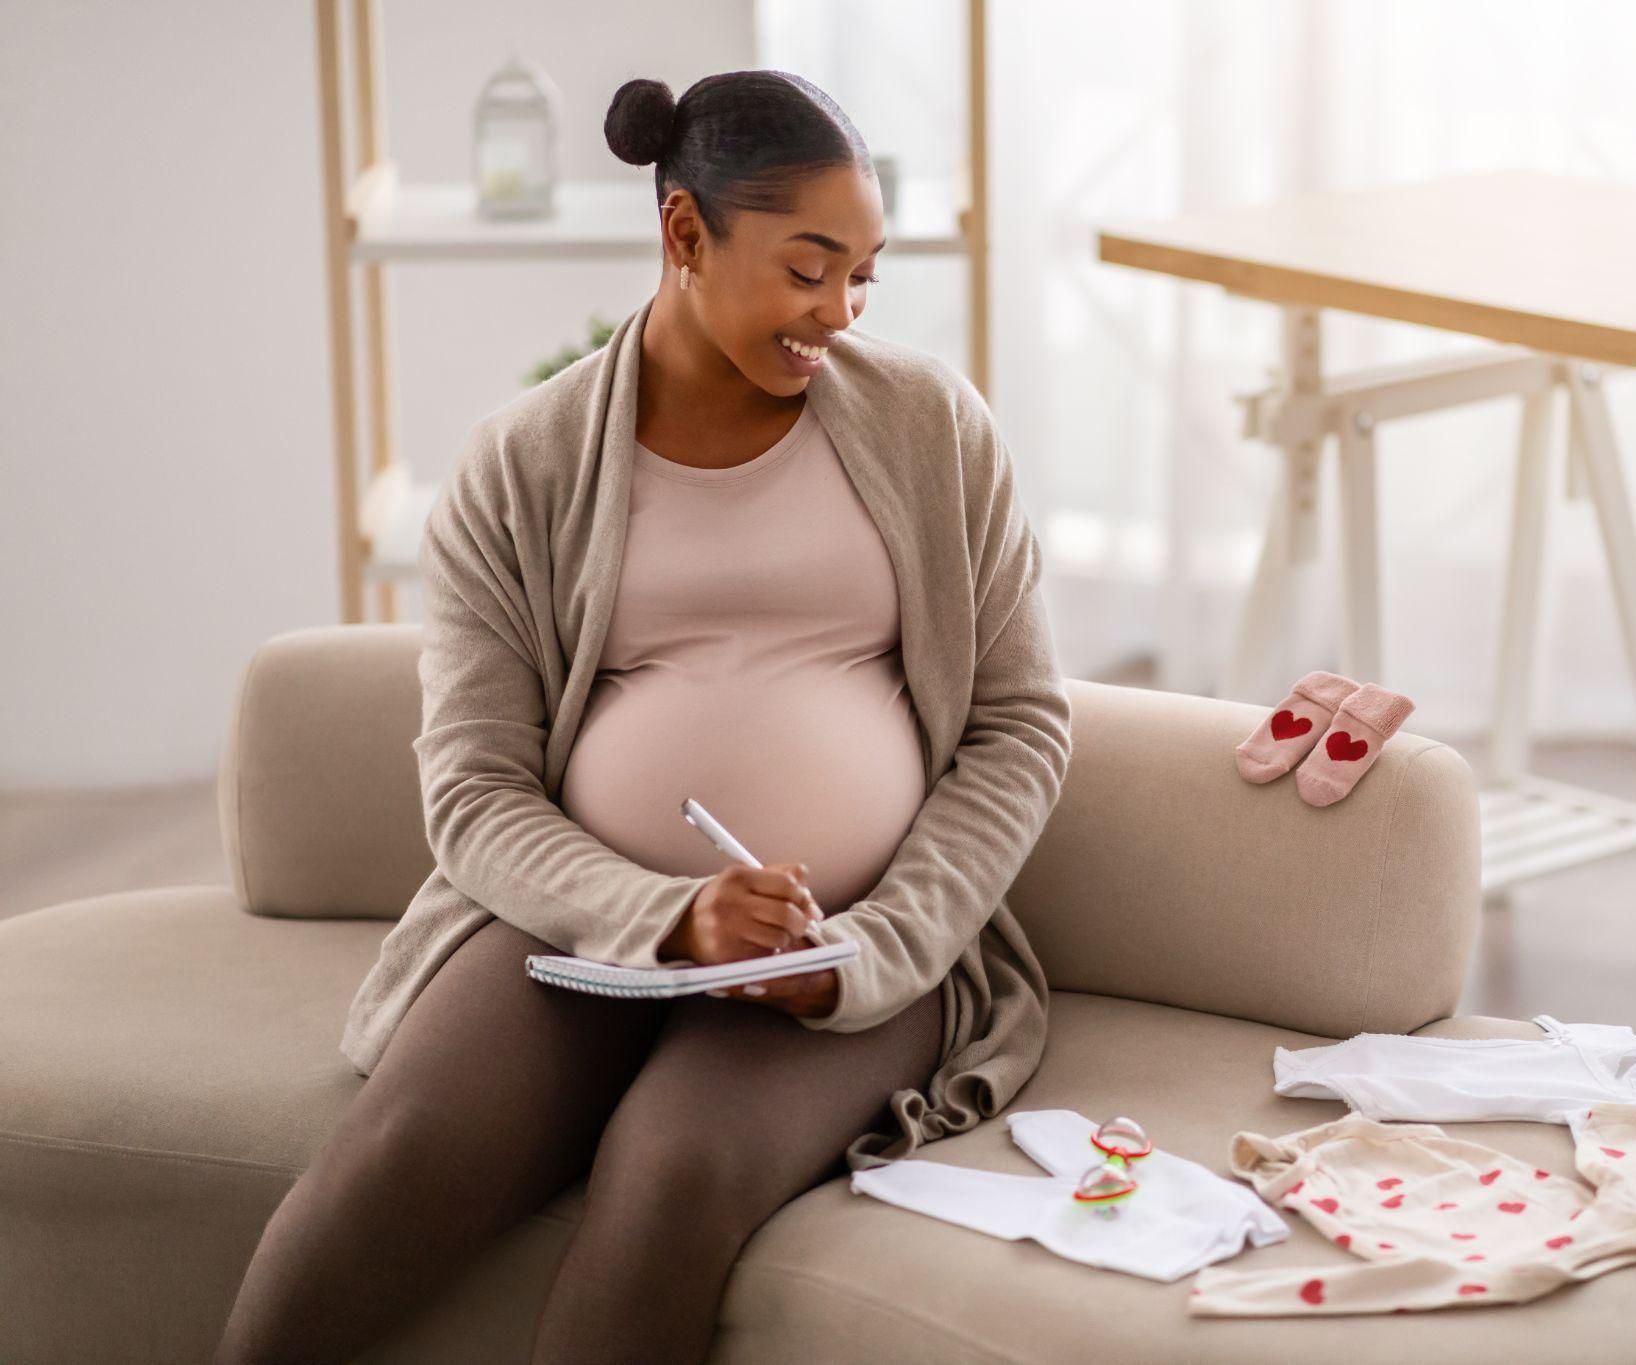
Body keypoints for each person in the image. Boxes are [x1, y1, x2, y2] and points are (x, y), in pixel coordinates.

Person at [216, 68, 1072, 1365]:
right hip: (579, 935)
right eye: (808, 269)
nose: (839, 312)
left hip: (850, 951)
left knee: (675, 1163)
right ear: (684, 235)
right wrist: (668, 917)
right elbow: (474, 795)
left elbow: (1020, 724)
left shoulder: (931, 431)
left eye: (864, 276)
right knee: (403, 1146)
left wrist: (870, 947)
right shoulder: (523, 466)